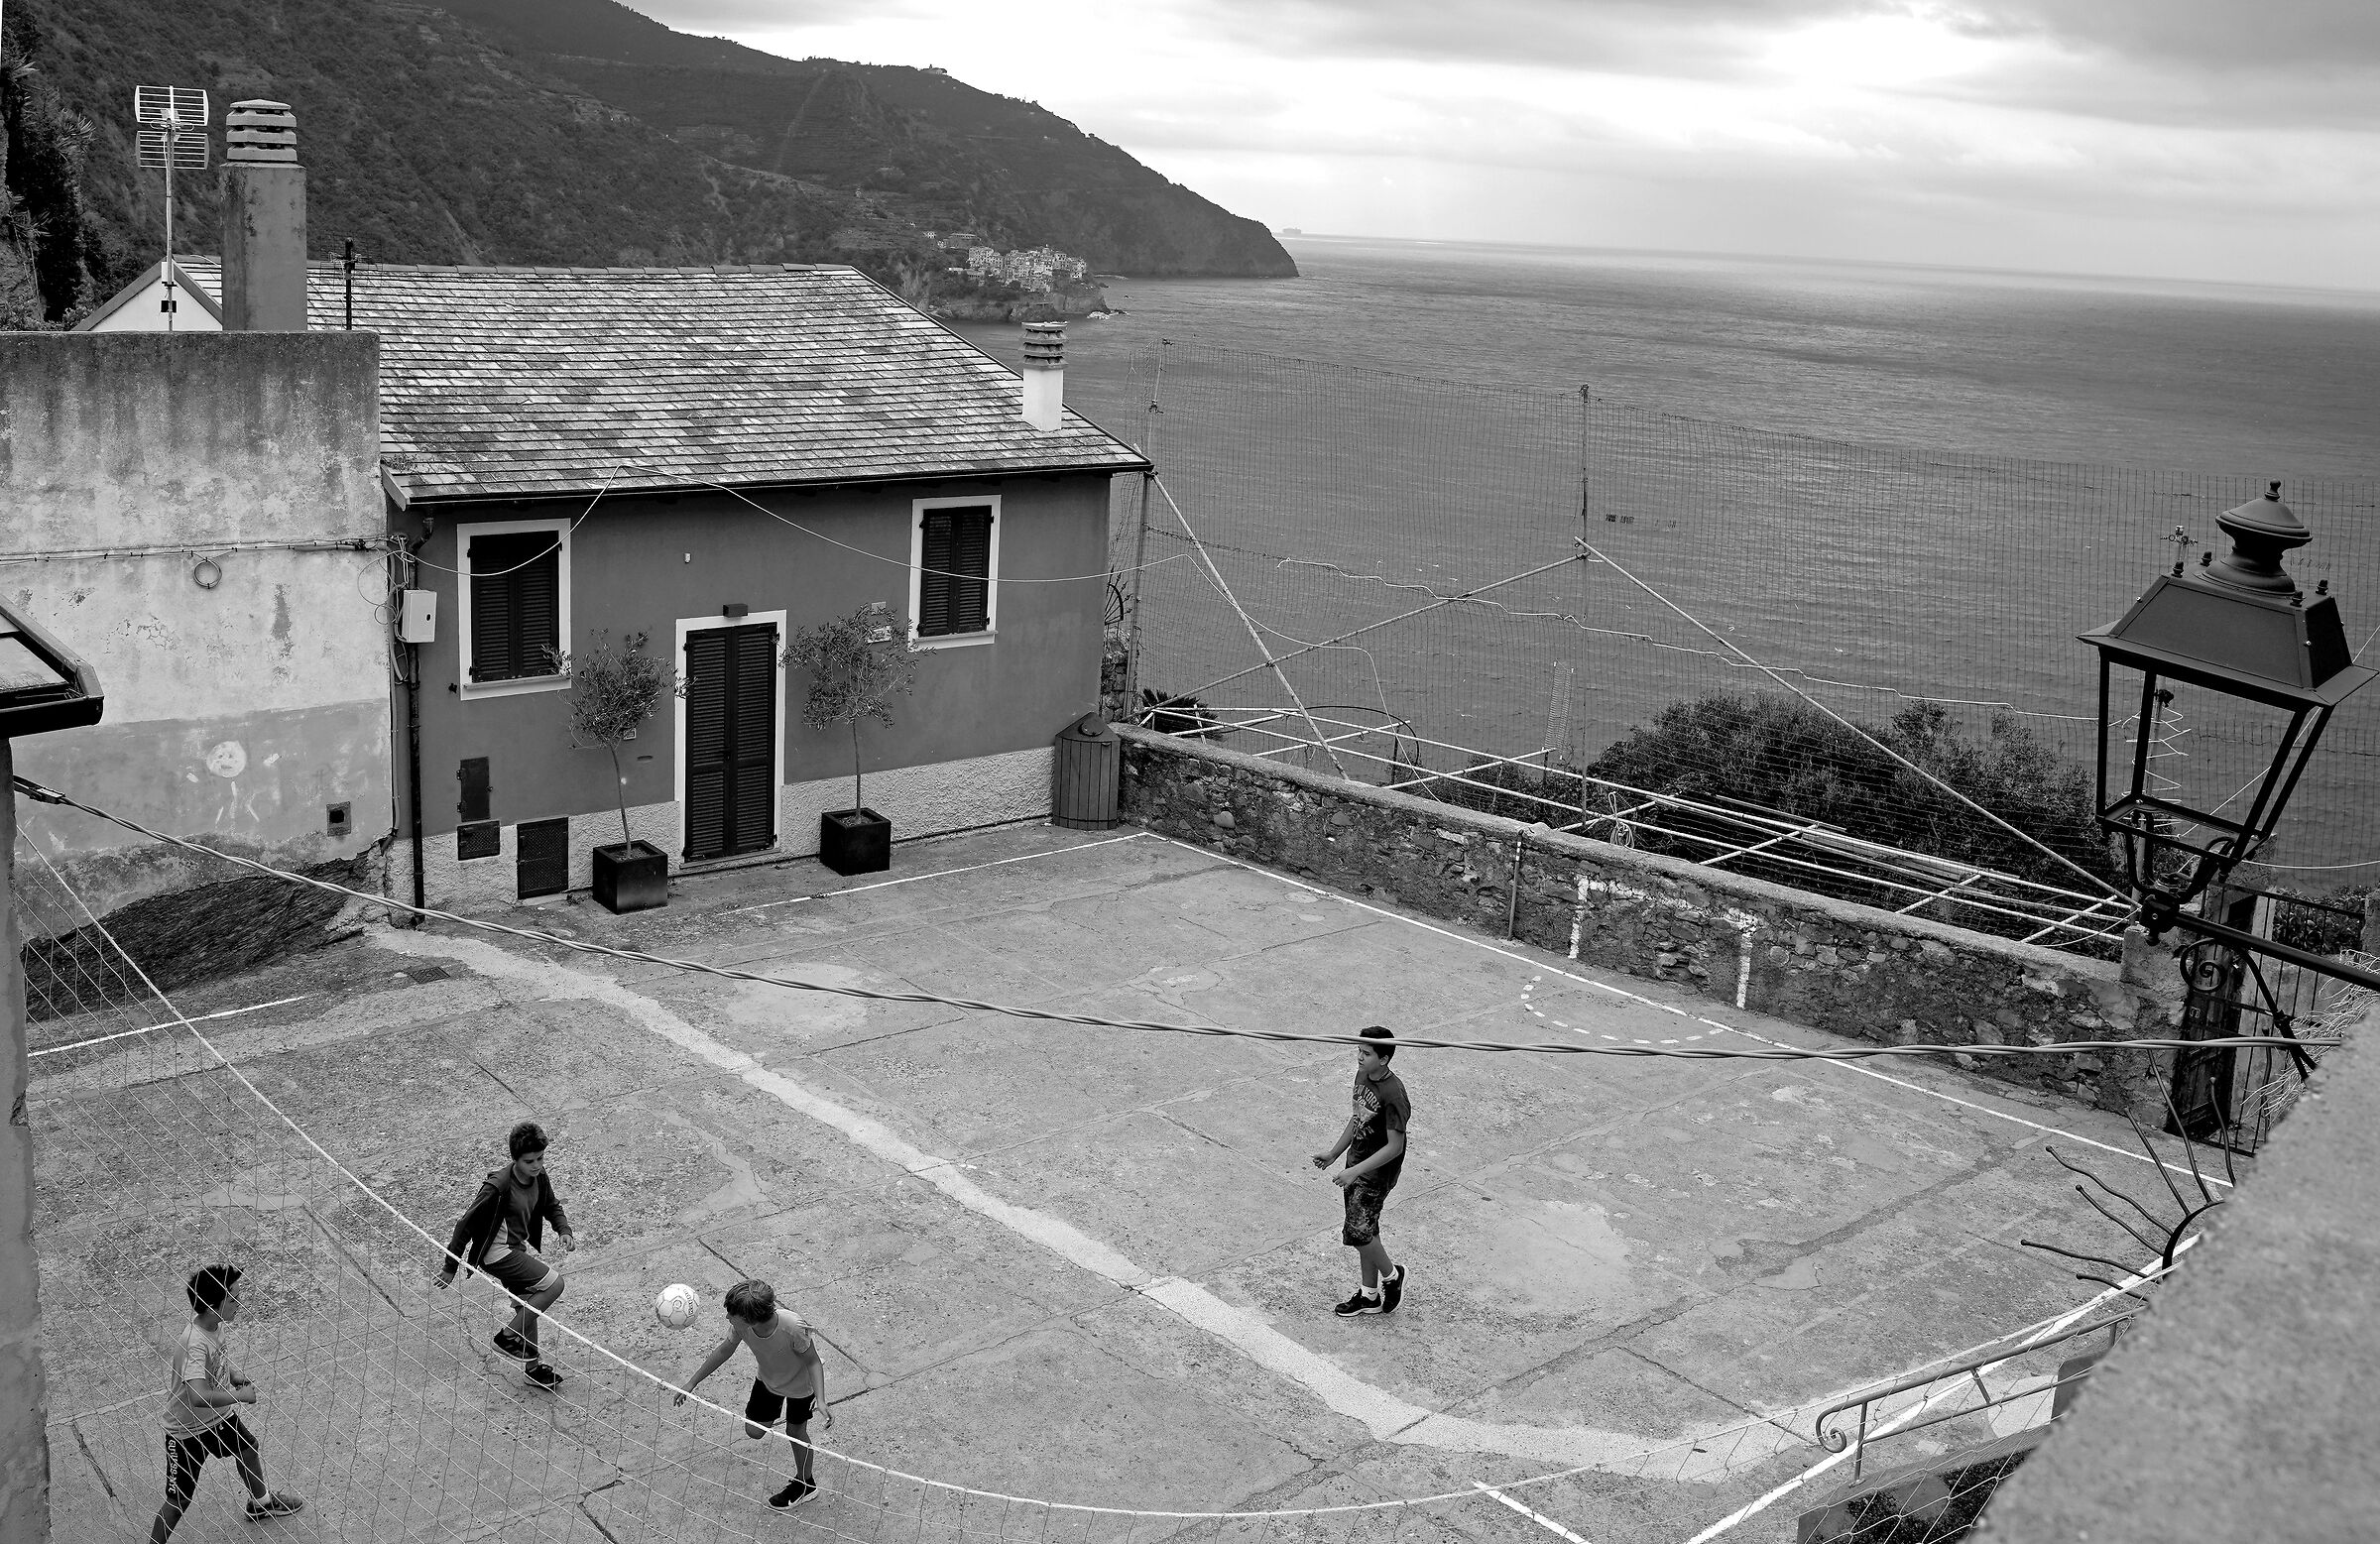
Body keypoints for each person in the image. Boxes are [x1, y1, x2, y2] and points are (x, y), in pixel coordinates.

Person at [152, 1264, 302, 1539]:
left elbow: (215, 1362)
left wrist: (231, 1375)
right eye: (232, 1299)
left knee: (248, 1449)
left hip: (217, 1417)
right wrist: (239, 1396)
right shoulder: (194, 1343)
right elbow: (197, 1397)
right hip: (186, 1432)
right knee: (179, 1501)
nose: (239, 1303)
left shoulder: (214, 1327)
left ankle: (261, 1503)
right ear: (211, 1305)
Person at [435, 1120, 577, 1389]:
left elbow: (550, 1204)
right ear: (515, 1160)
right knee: (554, 1284)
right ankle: (508, 1335)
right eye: (529, 1161)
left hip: (515, 1248)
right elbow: (464, 1225)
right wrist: (450, 1266)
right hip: (496, 1254)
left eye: (540, 1158)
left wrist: (563, 1230)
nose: (536, 1165)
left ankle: (532, 1370)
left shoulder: (539, 1175)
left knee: (528, 1303)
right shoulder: (498, 1186)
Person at [672, 1279, 834, 1510]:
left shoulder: (793, 1327)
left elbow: (814, 1362)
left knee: (795, 1431)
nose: (727, 1317)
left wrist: (820, 1399)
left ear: (750, 1318)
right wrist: (691, 1382)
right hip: (768, 1381)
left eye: (731, 1313)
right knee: (754, 1431)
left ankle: (805, 1483)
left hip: (801, 1387)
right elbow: (724, 1350)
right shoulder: (742, 1326)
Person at [1311, 1024, 1410, 1317]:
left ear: (1384, 1059)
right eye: (1359, 1050)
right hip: (1356, 1162)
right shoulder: (1363, 1076)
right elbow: (1358, 1119)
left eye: (1366, 1053)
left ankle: (1392, 1277)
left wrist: (1356, 1172)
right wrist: (1334, 1153)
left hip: (1376, 1173)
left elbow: (1394, 1147)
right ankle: (1369, 1295)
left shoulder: (1394, 1095)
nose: (1359, 1057)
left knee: (1359, 1233)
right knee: (1366, 1232)